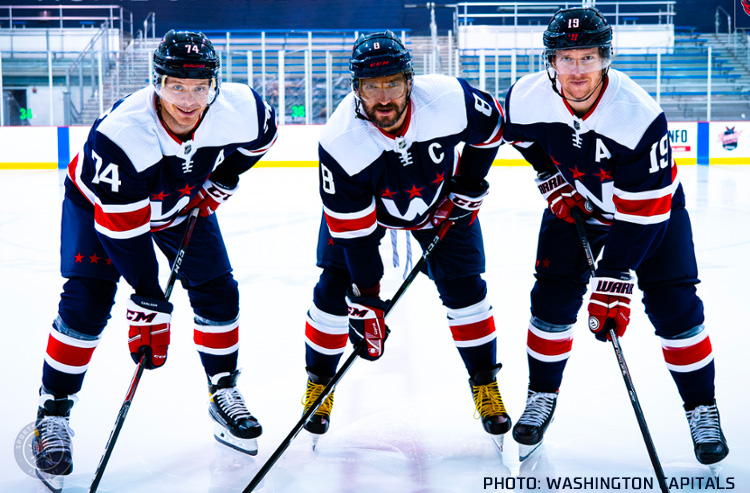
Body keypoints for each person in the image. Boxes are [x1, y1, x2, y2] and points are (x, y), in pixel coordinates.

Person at [32, 30, 278, 480]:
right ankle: (53, 413)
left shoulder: (240, 110)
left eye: (200, 87)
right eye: (176, 86)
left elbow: (263, 134)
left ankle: (223, 390)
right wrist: (149, 300)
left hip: (181, 204)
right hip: (100, 209)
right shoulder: (123, 134)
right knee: (87, 302)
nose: (188, 100)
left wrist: (222, 180)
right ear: (156, 82)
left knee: (219, 291)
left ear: (214, 85)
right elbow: (122, 230)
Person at [501, 7, 729, 466]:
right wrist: (549, 175)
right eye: (566, 58)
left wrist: (614, 277)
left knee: (675, 307)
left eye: (587, 57)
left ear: (606, 59)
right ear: (551, 60)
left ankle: (702, 408)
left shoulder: (637, 114)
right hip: (579, 207)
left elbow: (644, 213)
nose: (577, 69)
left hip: (649, 213)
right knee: (549, 302)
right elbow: (519, 135)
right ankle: (541, 397)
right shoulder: (527, 96)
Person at [300, 30, 510, 449]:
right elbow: (356, 238)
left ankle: (485, 386)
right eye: (371, 86)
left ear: (410, 81)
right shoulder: (342, 142)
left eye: (392, 82)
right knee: (333, 290)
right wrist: (369, 298)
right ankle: (318, 387)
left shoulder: (448, 99)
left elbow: (491, 127)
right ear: (356, 88)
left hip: (440, 200)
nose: (383, 97)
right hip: (368, 210)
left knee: (465, 288)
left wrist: (469, 182)